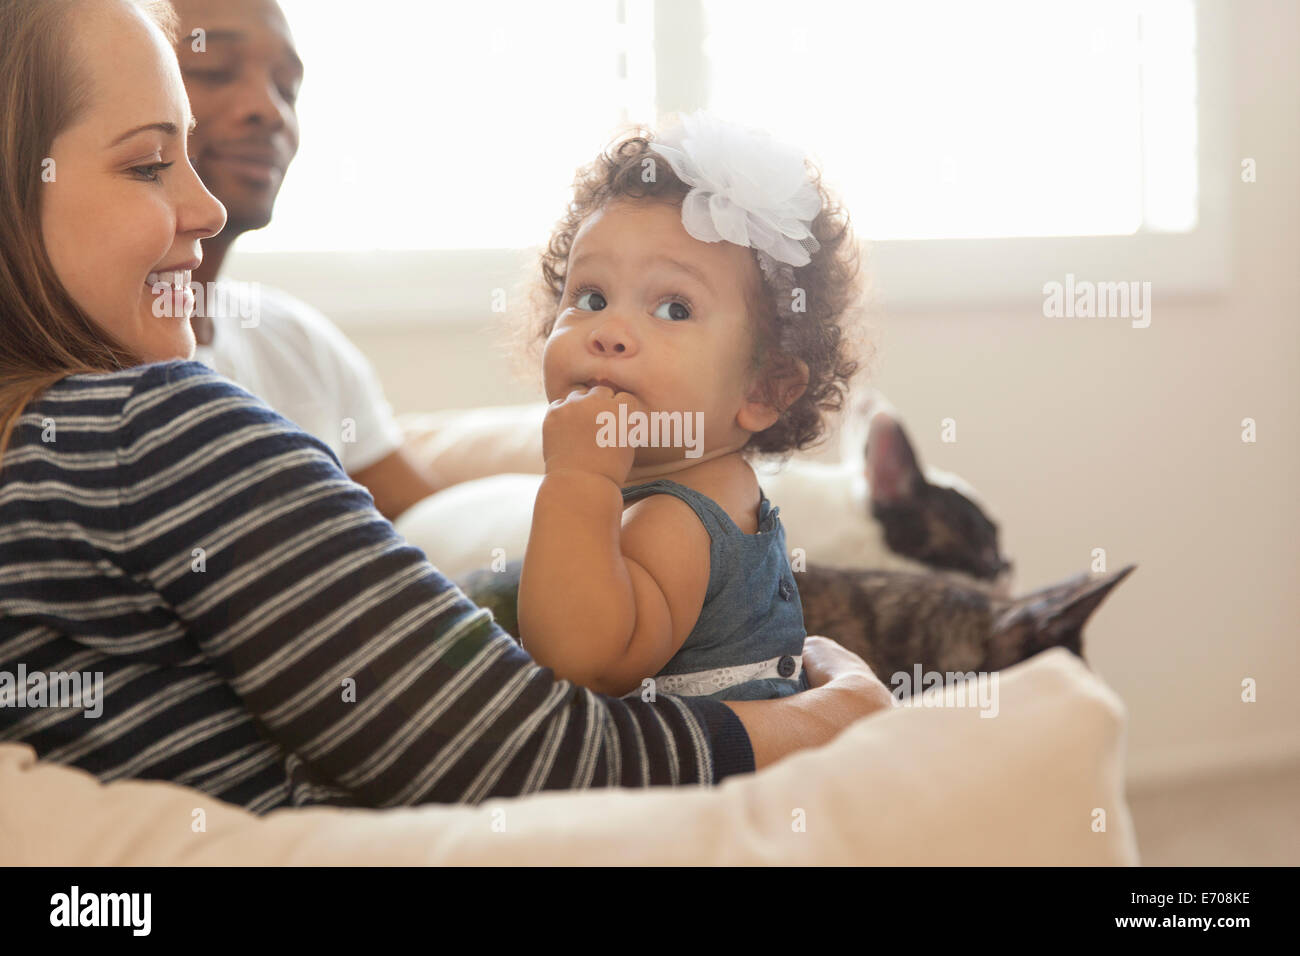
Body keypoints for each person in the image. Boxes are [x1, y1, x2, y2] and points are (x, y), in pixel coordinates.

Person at [0, 0, 893, 813]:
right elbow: (527, 752)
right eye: (150, 164)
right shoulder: (151, 435)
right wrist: (839, 721)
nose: (203, 205)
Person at [519, 114, 860, 702]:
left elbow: (582, 663)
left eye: (674, 309)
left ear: (764, 390)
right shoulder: (705, 478)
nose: (611, 331)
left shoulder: (677, 520)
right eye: (591, 297)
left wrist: (578, 478)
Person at [171, 0, 441, 522]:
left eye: (287, 88)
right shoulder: (67, 362)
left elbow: (431, 525)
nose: (269, 110)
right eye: (214, 70)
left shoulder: (296, 341)